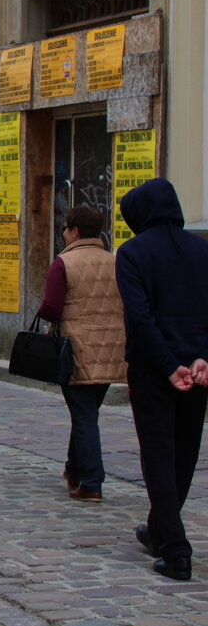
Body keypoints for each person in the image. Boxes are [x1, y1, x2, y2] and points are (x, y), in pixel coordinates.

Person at [115, 178, 208, 581]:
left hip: (156, 370)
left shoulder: (133, 252)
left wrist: (169, 366)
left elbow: (140, 316)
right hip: (198, 369)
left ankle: (175, 549)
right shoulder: (203, 249)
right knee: (184, 453)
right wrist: (203, 357)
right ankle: (159, 529)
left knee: (158, 454)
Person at [38, 204, 126, 503]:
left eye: (65, 227)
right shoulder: (115, 261)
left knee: (84, 415)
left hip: (76, 347)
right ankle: (74, 469)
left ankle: (91, 481)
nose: (63, 233)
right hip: (112, 347)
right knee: (87, 412)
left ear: (75, 230)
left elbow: (50, 308)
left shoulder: (64, 263)